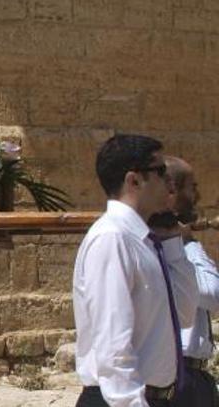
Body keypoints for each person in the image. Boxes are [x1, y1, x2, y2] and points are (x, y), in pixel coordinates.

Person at [74, 134, 199, 407]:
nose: (170, 182)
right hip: (120, 400)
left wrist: (173, 241)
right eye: (161, 171)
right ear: (134, 180)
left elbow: (184, 314)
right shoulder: (113, 239)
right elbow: (113, 343)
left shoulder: (144, 241)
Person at [159, 157, 219, 407]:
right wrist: (189, 242)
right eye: (191, 187)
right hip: (177, 373)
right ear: (171, 191)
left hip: (192, 375)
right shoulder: (165, 245)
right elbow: (211, 292)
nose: (198, 195)